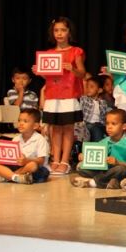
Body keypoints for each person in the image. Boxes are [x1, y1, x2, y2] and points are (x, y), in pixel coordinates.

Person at [32, 17, 86, 175]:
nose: (59, 33)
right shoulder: (49, 53)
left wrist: (72, 69)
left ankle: (65, 160)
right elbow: (49, 76)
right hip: (52, 95)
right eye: (56, 30)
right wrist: (39, 72)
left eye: (63, 30)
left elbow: (82, 74)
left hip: (69, 95)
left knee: (68, 128)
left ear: (69, 32)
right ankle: (55, 160)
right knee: (55, 129)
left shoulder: (76, 51)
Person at [70, 108, 126, 189]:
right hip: (106, 171)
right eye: (107, 124)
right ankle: (110, 182)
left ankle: (93, 182)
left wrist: (118, 162)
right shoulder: (105, 141)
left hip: (121, 170)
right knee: (80, 166)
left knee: (121, 170)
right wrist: (85, 157)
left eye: (113, 124)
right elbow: (94, 156)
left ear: (124, 126)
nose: (109, 127)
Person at [0, 108, 50, 184]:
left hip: (31, 167)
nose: (21, 123)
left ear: (35, 125)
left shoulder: (40, 139)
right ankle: (17, 178)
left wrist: (26, 160)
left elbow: (41, 161)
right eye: (19, 120)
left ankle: (6, 176)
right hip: (17, 167)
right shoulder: (16, 139)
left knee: (35, 167)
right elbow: (10, 159)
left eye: (25, 121)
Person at [79, 75, 111, 142]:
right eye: (87, 86)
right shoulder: (84, 99)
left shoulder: (103, 102)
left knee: (102, 129)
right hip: (86, 124)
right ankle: (97, 145)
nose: (88, 89)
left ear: (99, 90)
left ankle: (102, 147)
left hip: (100, 124)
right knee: (95, 129)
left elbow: (107, 112)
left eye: (91, 87)